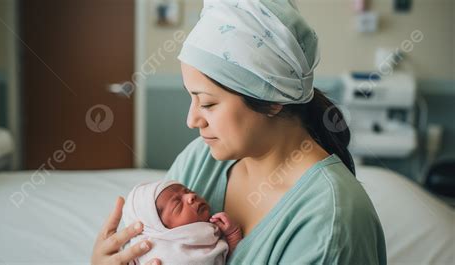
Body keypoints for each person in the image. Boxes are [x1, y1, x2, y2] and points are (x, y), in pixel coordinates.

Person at [91, 0, 387, 264]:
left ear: (272, 102)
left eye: (207, 103)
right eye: (190, 97)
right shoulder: (201, 159)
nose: (192, 120)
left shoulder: (330, 222)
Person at [121, 180, 242, 265]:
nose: (191, 196)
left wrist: (232, 236)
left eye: (188, 191)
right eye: (178, 204)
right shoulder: (148, 252)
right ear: (159, 227)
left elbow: (232, 260)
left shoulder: (210, 236)